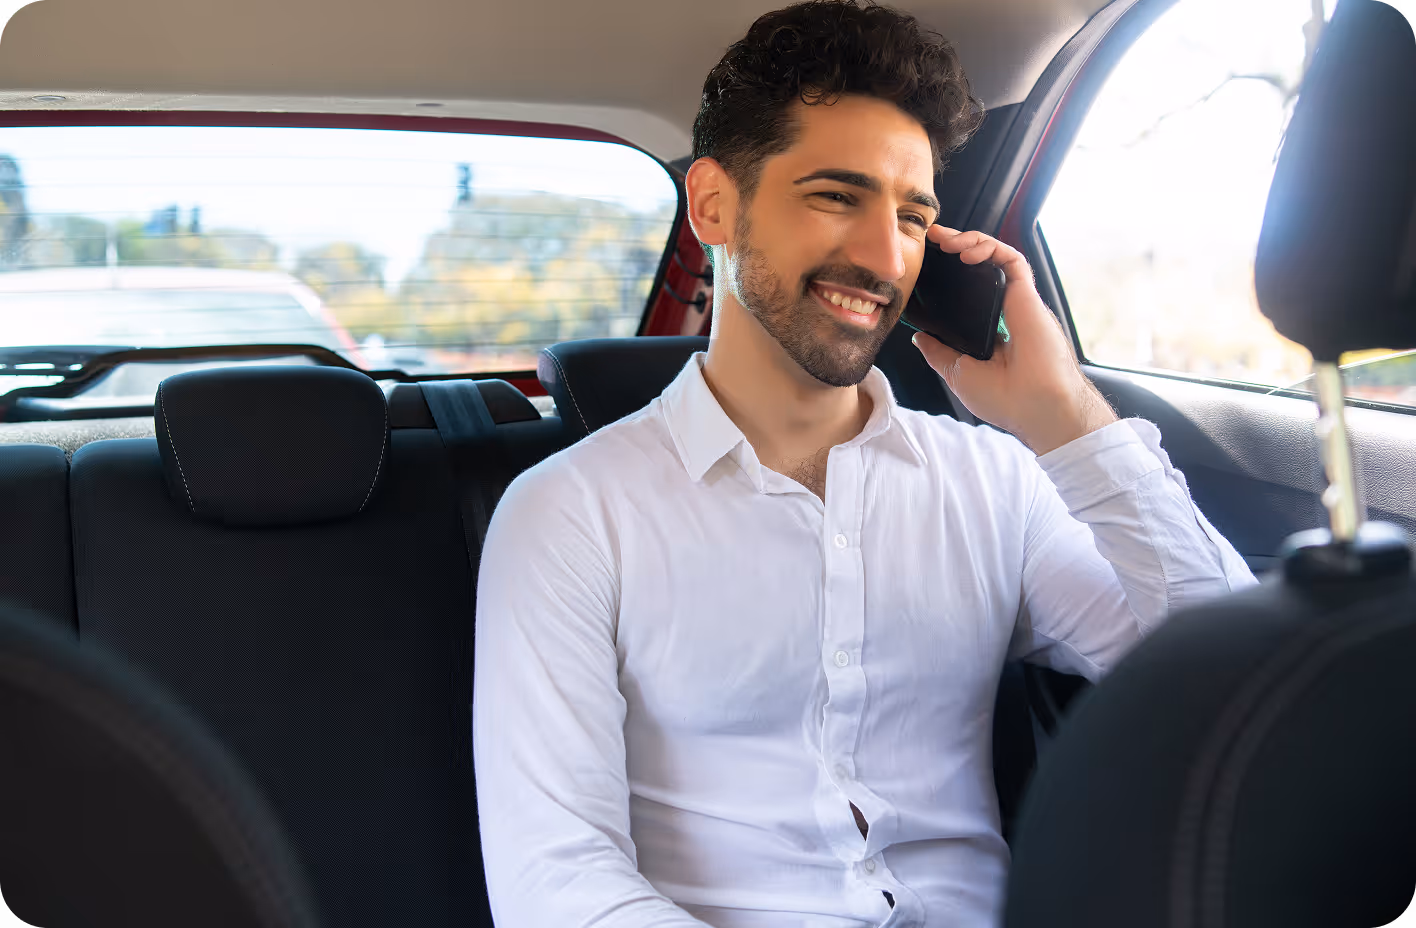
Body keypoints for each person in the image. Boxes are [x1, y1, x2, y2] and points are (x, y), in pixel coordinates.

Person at [472, 2, 1256, 925]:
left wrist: (1065, 419)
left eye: (915, 216)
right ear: (715, 205)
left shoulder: (995, 483)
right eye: (837, 197)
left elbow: (1240, 677)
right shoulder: (569, 514)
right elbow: (558, 888)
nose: (887, 258)